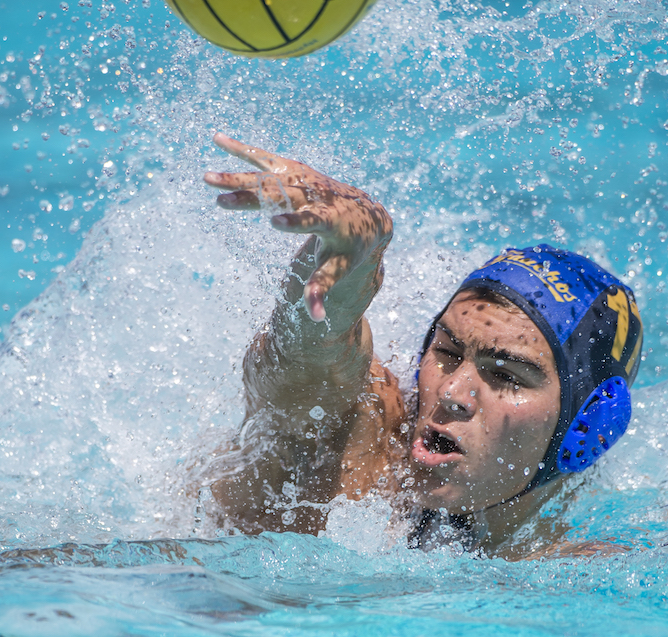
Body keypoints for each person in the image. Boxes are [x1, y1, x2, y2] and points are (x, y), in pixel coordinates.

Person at [200, 133, 643, 558]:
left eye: (506, 376)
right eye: (447, 354)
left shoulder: (587, 561)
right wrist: (355, 262)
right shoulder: (366, 437)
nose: (451, 393)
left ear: (588, 427)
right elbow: (304, 361)